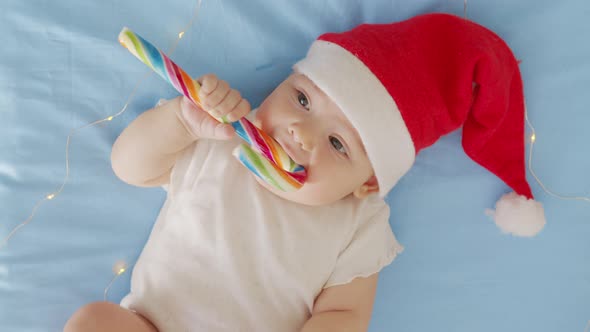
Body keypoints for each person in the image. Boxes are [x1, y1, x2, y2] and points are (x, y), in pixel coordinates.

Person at [64, 13, 545, 332]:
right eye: (302, 99)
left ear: (368, 181)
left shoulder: (359, 220)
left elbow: (345, 314)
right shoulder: (223, 137)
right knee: (94, 322)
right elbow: (128, 166)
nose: (300, 132)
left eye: (337, 144)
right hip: (150, 322)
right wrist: (180, 122)